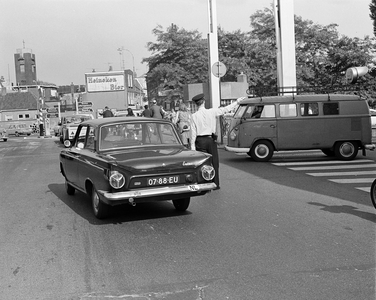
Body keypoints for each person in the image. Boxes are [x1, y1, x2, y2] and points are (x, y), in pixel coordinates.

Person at [190, 93, 245, 190]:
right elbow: (226, 109)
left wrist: (192, 147)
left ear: (196, 104)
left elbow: (192, 133)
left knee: (203, 163)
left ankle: (204, 182)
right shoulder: (212, 112)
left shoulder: (194, 116)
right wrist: (237, 102)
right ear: (204, 102)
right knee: (214, 161)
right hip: (210, 139)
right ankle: (215, 183)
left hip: (200, 140)